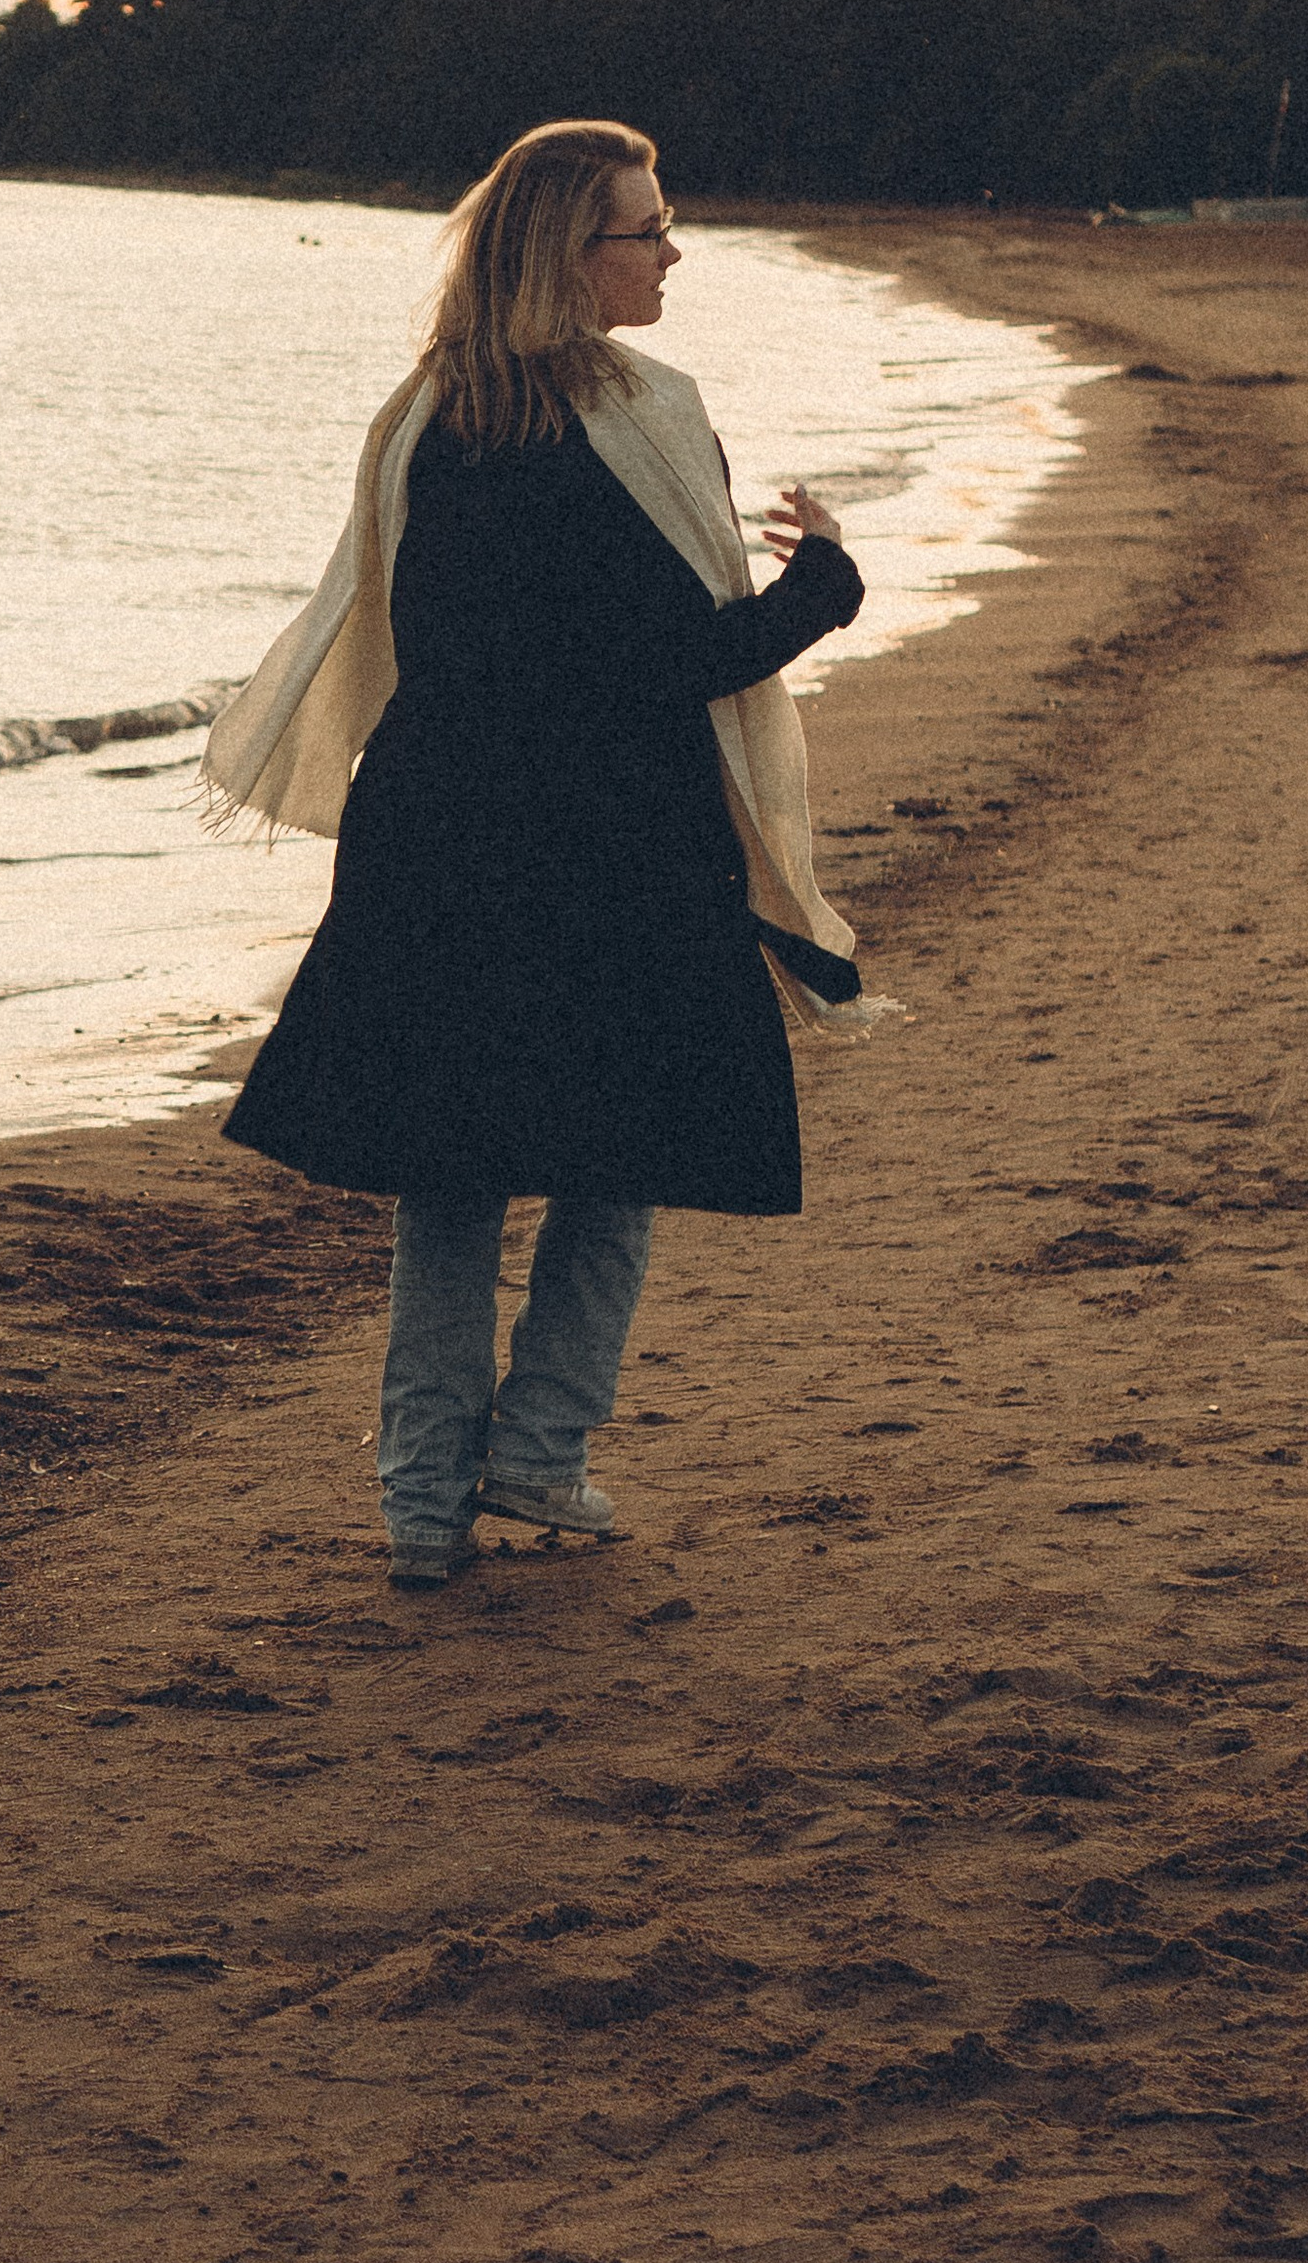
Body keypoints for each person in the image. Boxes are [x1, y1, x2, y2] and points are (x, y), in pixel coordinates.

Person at [201, 119, 868, 1590]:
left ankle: (424, 1508)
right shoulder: (636, 425)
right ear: (573, 254)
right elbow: (671, 665)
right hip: (611, 852)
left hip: (441, 837)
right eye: (647, 228)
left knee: (453, 1183)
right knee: (610, 1164)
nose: (672, 250)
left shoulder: (429, 420)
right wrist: (824, 585)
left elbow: (452, 652)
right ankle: (542, 1451)